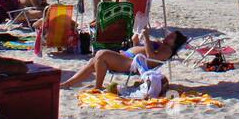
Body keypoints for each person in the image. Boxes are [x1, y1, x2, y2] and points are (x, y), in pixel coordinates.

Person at [61, 30, 189, 90]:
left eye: (172, 37)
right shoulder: (160, 45)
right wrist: (136, 38)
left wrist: (146, 37)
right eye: (170, 34)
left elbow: (151, 58)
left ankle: (98, 87)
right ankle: (69, 83)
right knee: (94, 60)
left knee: (101, 54)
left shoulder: (167, 50)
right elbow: (139, 47)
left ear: (175, 43)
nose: (168, 36)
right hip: (126, 57)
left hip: (131, 64)